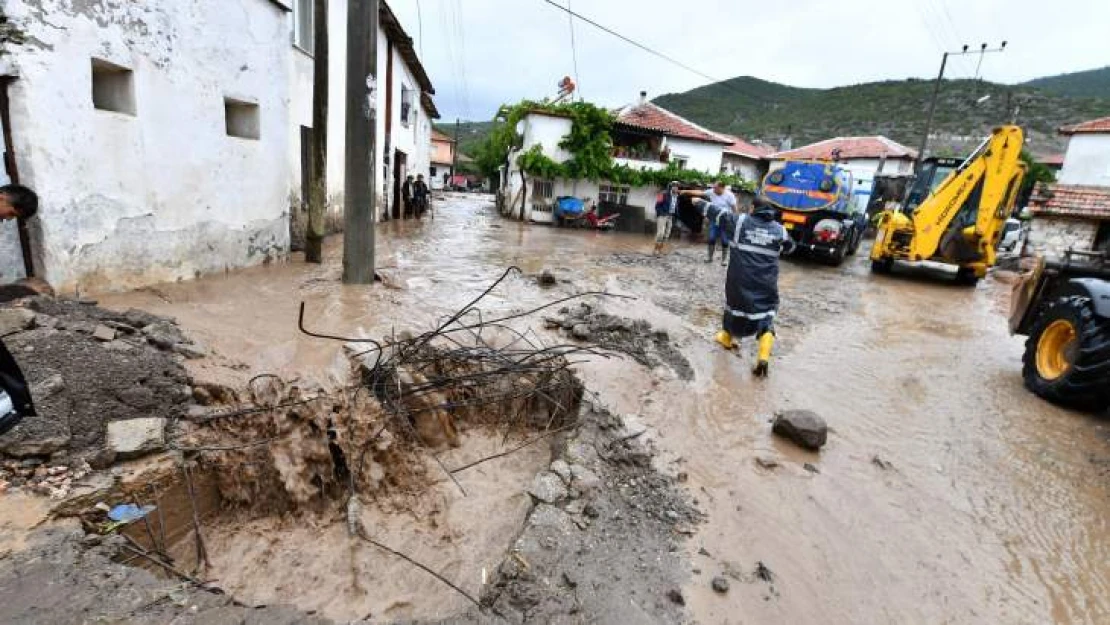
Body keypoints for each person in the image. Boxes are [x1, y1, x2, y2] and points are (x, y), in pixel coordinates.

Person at [693, 195, 795, 377]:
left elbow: (717, 213)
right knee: (766, 315)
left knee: (734, 309)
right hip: (766, 282)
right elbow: (790, 248)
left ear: (753, 208)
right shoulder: (780, 230)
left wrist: (696, 201)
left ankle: (726, 338)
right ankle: (763, 357)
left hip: (738, 280)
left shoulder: (739, 222)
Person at [683, 181, 736, 264]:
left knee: (725, 240)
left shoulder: (730, 195)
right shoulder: (712, 192)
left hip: (725, 221)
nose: (713, 189)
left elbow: (734, 209)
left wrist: (734, 221)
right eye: (713, 187)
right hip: (714, 220)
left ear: (722, 188)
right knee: (711, 238)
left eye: (715, 188)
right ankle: (709, 257)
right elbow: (700, 193)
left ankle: (724, 259)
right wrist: (686, 191)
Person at [653, 181, 680, 256]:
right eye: (674, 186)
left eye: (677, 186)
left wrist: (677, 216)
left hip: (670, 216)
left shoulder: (677, 196)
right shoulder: (663, 193)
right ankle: (655, 250)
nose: (676, 187)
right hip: (662, 216)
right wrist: (660, 214)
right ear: (671, 187)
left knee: (667, 235)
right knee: (660, 233)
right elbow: (657, 206)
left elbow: (675, 207)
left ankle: (660, 250)